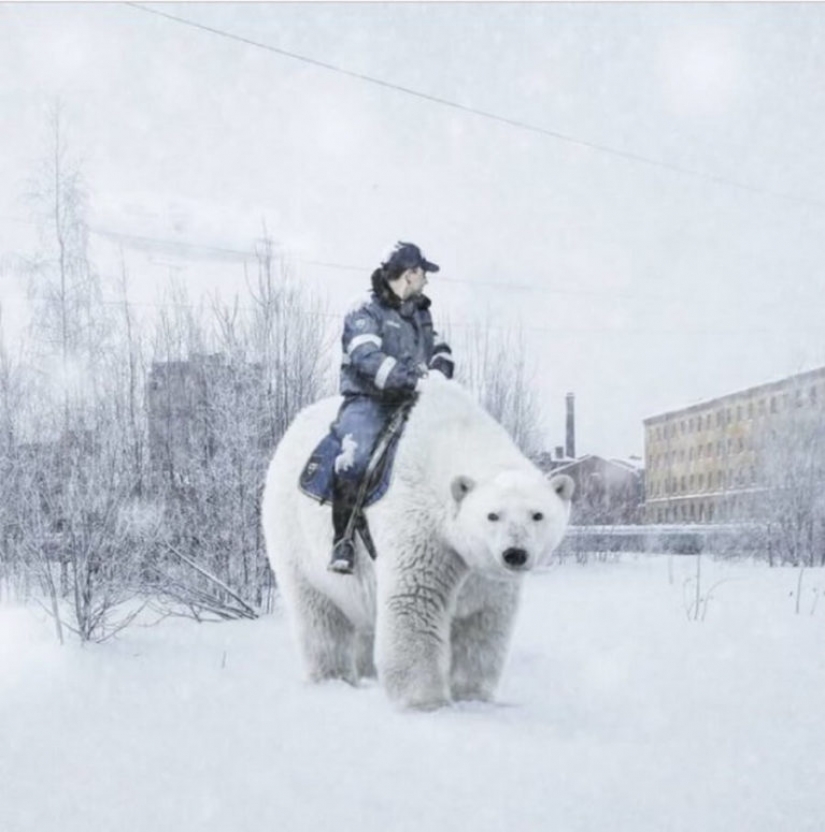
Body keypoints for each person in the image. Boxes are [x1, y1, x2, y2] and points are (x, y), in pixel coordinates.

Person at [328, 241, 454, 574]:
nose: (426, 281)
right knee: (354, 458)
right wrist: (413, 380)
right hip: (368, 401)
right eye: (423, 274)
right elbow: (366, 358)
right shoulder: (363, 311)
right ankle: (343, 540)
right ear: (409, 274)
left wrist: (439, 372)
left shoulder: (420, 312)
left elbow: (440, 347)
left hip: (415, 400)